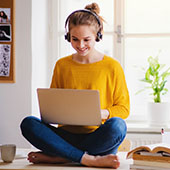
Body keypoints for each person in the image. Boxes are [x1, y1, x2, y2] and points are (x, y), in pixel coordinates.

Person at [20, 3, 130, 169]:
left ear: (97, 36)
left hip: (97, 137)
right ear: (68, 37)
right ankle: (86, 158)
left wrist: (100, 113)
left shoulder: (112, 66)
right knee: (28, 124)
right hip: (66, 136)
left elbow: (124, 109)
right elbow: (52, 106)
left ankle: (63, 156)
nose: (80, 45)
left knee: (117, 126)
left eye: (87, 40)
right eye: (75, 39)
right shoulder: (62, 65)